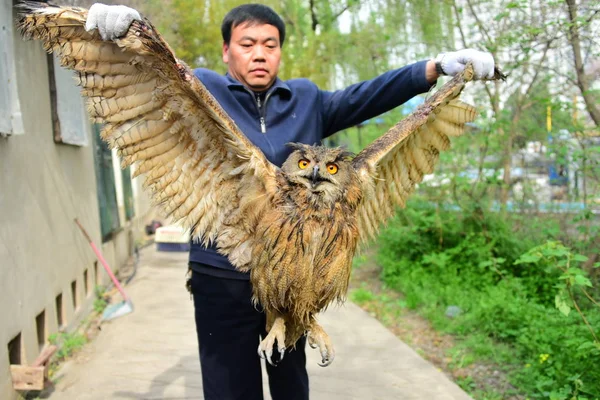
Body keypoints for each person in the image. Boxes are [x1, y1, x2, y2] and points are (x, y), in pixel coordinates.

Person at [85, 3, 495, 400]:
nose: (259, 53)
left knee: (291, 386)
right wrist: (128, 35)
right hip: (222, 274)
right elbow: (160, 73)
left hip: (291, 279)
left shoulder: (306, 99)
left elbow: (365, 96)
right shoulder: (206, 88)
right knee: (229, 386)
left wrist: (436, 68)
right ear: (227, 50)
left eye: (270, 43)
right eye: (247, 44)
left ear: (280, 50)